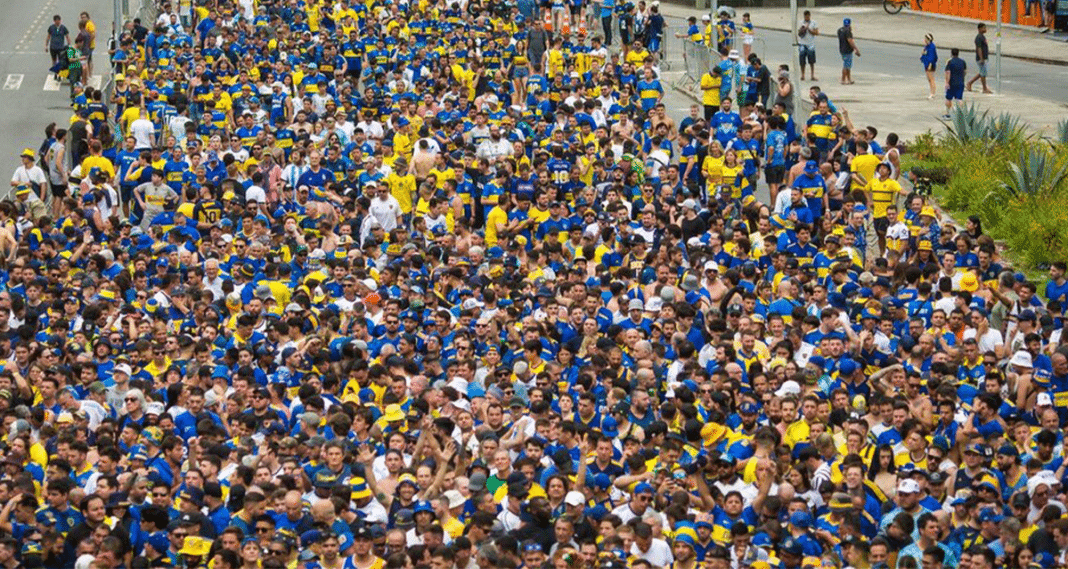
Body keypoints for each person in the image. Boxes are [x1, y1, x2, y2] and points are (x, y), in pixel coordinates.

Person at [966, 23, 992, 94]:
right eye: (983, 28)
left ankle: (969, 83)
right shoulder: (978, 38)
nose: (985, 29)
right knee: (983, 74)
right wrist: (981, 58)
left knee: (982, 73)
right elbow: (979, 48)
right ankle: (984, 89)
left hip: (984, 58)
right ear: (979, 29)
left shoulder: (982, 37)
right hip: (981, 59)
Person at [944, 47, 967, 119]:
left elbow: (948, 72)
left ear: (951, 53)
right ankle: (960, 114)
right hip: (960, 82)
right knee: (959, 98)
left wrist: (947, 82)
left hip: (952, 83)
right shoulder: (962, 62)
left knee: (948, 98)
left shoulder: (949, 62)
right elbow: (965, 71)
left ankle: (948, 113)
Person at [837, 18, 860, 85]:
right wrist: (856, 49)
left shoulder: (840, 30)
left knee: (848, 65)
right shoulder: (848, 32)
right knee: (846, 65)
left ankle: (849, 79)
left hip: (842, 49)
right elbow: (850, 41)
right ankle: (843, 80)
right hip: (847, 50)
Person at [798, 10, 819, 81]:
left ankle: (812, 75)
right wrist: (804, 29)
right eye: (805, 16)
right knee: (802, 59)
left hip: (810, 44)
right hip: (802, 43)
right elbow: (799, 33)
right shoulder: (801, 22)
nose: (806, 18)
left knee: (811, 60)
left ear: (809, 16)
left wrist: (809, 29)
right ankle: (802, 75)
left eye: (808, 16)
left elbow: (816, 32)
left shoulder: (814, 23)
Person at [921, 34, 938, 99]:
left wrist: (930, 65)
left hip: (930, 65)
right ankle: (932, 92)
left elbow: (932, 57)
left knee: (931, 79)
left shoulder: (932, 47)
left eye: (925, 39)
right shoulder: (927, 46)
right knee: (929, 79)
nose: (924, 40)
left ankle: (932, 93)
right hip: (926, 63)